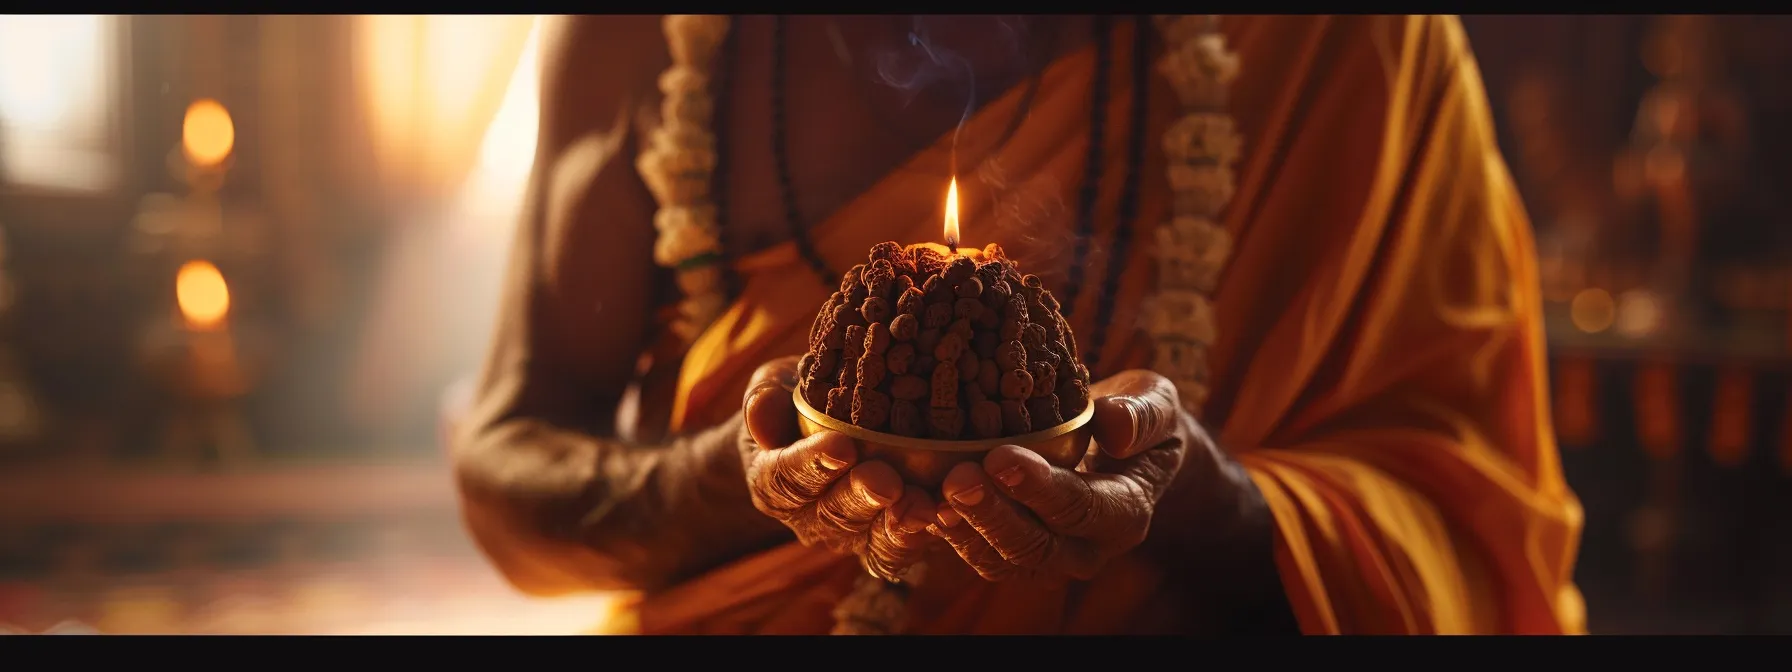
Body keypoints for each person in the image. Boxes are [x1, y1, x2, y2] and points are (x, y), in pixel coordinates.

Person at [450, 14, 1586, 634]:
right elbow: (508, 469)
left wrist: (1193, 498)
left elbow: (1462, 513)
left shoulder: (1342, 42)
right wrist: (748, 478)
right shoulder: (643, 36)